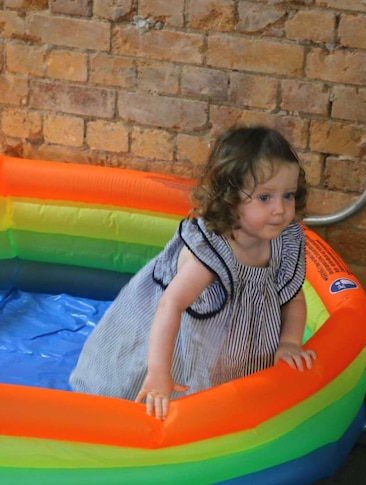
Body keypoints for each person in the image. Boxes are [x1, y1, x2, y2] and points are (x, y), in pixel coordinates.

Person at [69, 126, 317, 420]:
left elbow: (293, 296)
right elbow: (170, 305)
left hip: (237, 343)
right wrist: (159, 374)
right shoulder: (212, 251)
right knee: (172, 401)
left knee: (239, 399)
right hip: (184, 336)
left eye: (288, 195)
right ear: (231, 197)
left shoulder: (285, 241)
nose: (280, 209)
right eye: (265, 198)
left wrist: (289, 342)